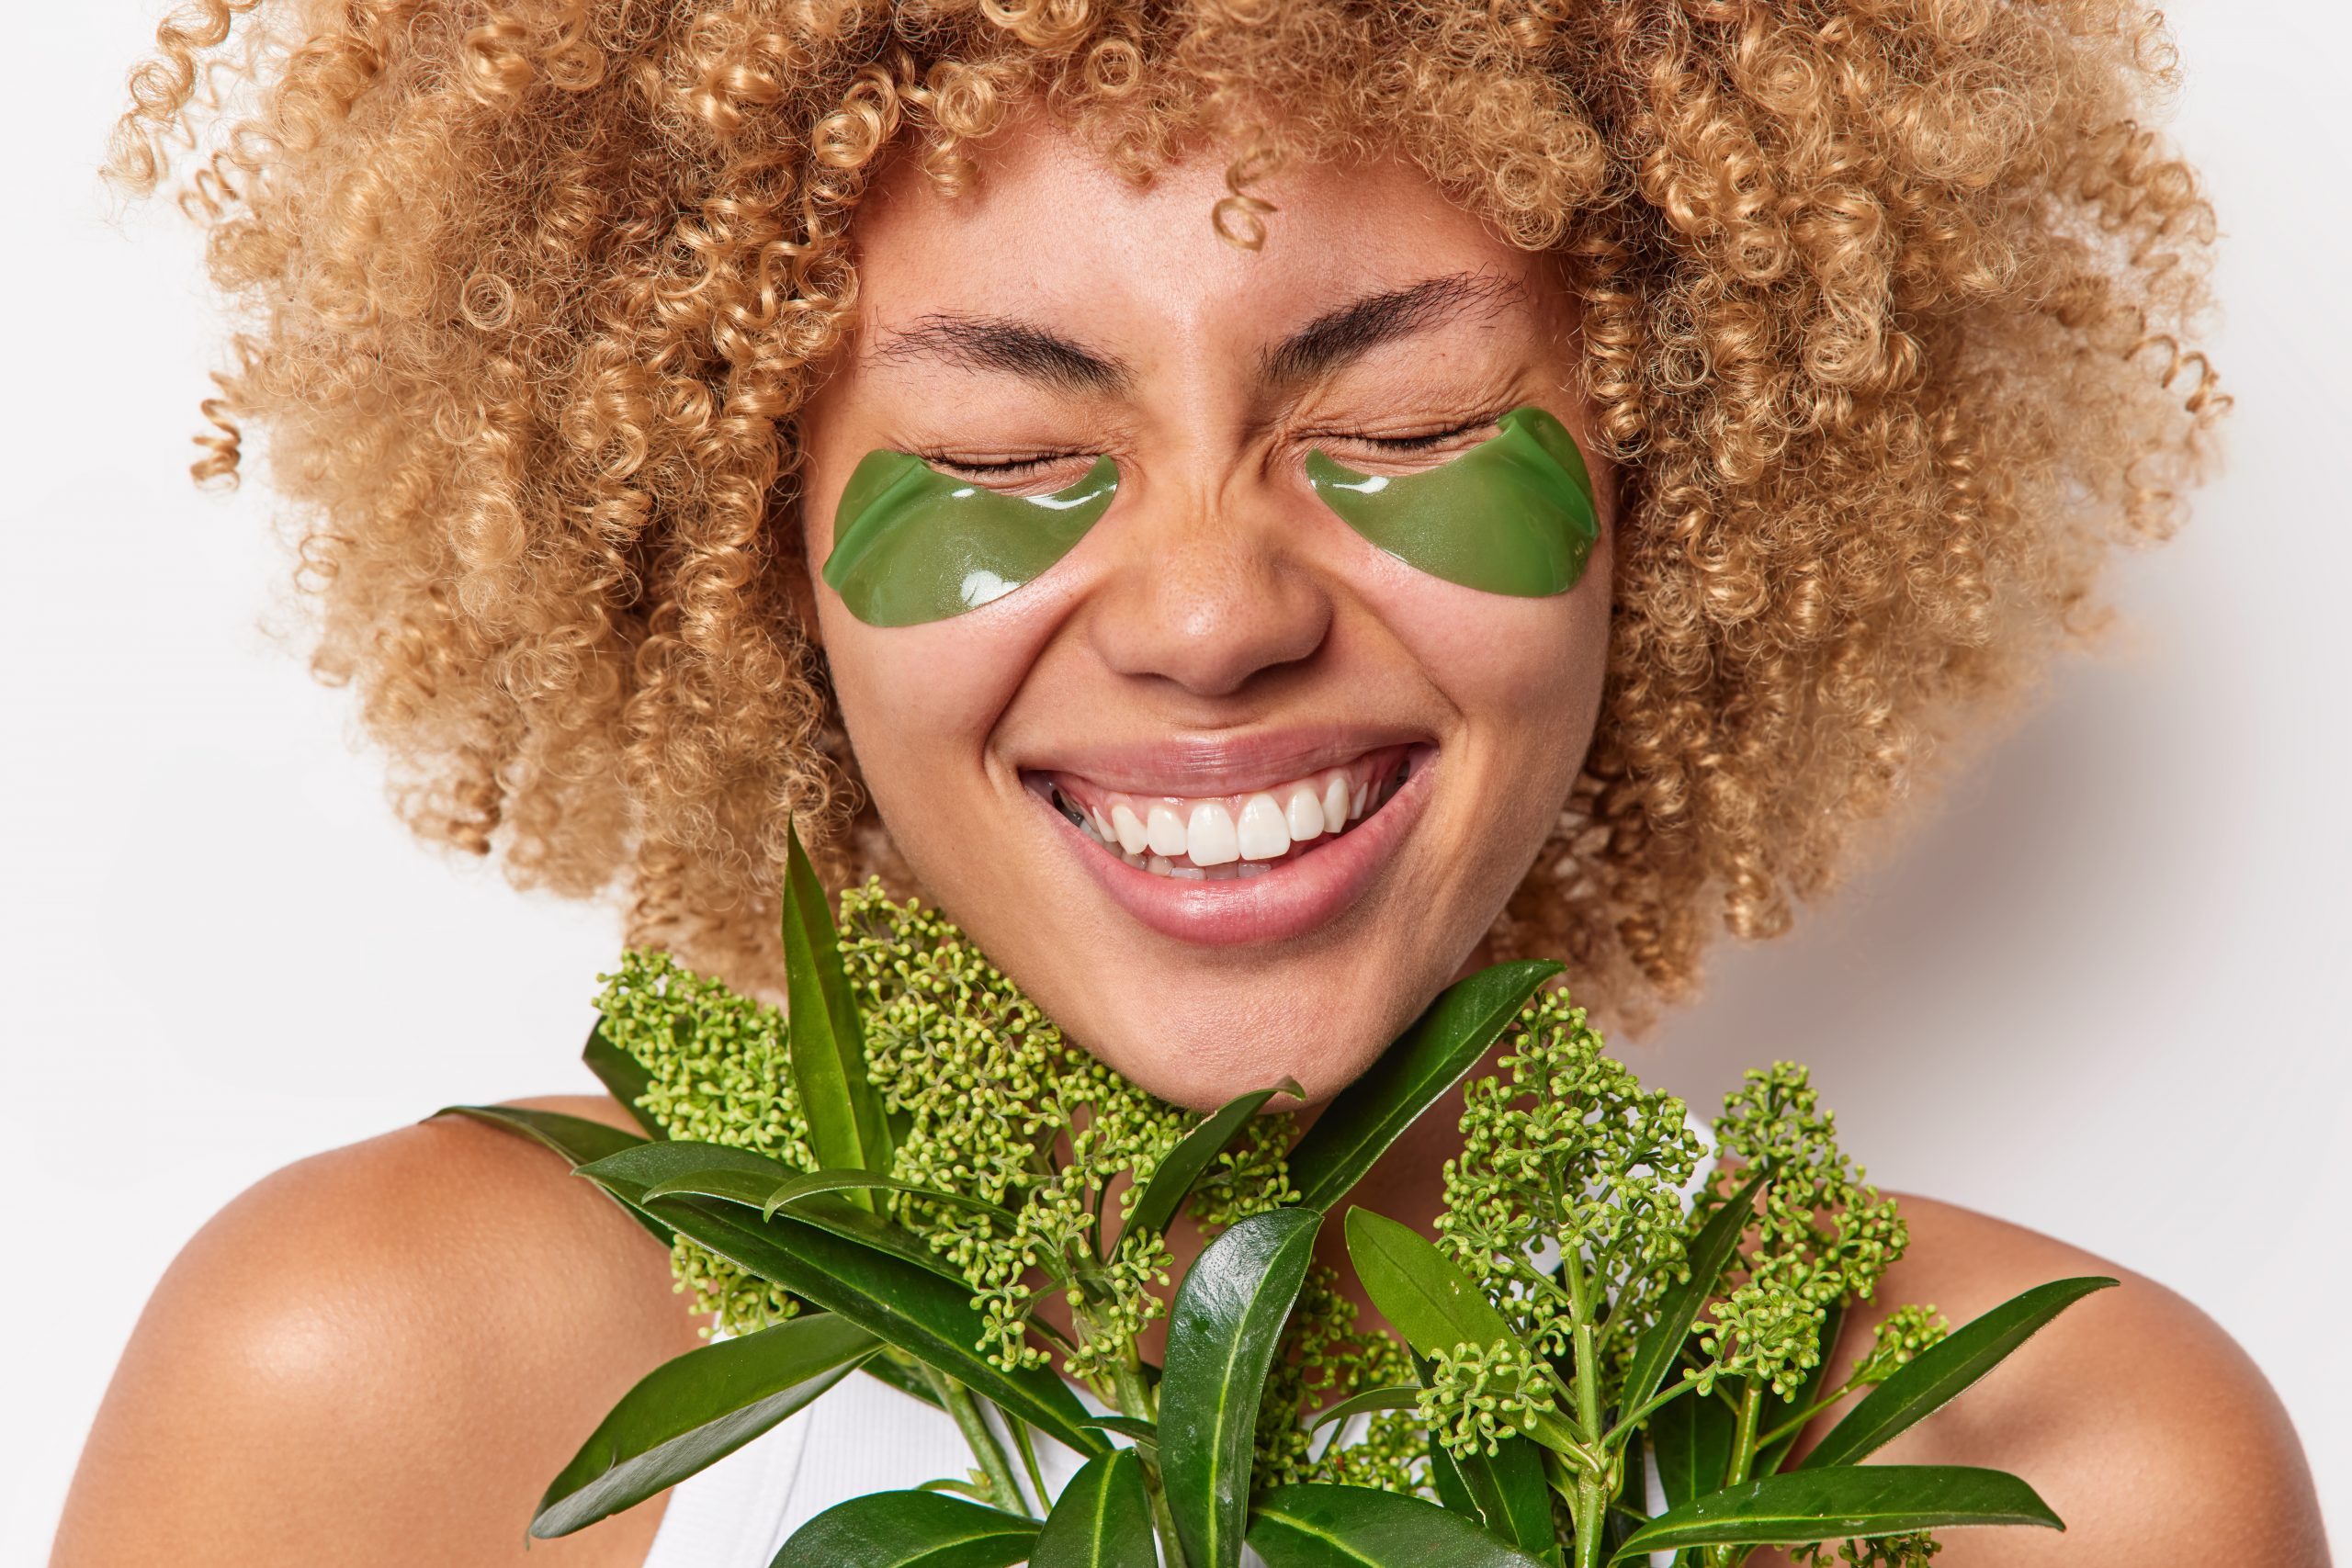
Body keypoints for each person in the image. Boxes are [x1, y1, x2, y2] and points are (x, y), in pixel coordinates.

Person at [54, 3, 2327, 1565]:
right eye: (1005, 457)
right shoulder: (387, 1378)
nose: (1209, 609)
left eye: (1406, 420)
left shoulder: (2032, 1467)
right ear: (746, 550)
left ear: (1682, 466)